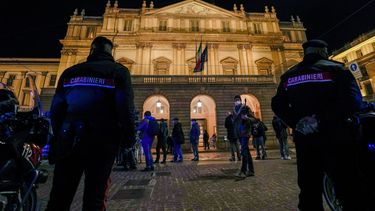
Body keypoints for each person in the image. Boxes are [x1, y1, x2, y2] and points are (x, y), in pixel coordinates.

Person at [271, 39, 371, 210]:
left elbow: (277, 104)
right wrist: (321, 120)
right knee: (347, 188)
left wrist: (297, 123)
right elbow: (353, 101)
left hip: (305, 141)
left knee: (309, 191)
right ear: (323, 52)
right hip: (337, 138)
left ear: (306, 53)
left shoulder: (289, 76)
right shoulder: (337, 69)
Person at [46, 36, 135, 211]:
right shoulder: (118, 72)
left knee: (58, 198)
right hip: (102, 141)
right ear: (111, 51)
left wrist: (58, 137)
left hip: (69, 139)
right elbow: (125, 109)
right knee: (94, 199)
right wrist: (128, 139)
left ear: (92, 50)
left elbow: (56, 111)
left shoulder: (70, 72)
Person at [237, 106, 255, 177]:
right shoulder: (238, 112)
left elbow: (254, 119)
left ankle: (243, 170)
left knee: (243, 152)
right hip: (240, 135)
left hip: (245, 135)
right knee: (246, 153)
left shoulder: (245, 109)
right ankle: (251, 170)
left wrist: (247, 118)